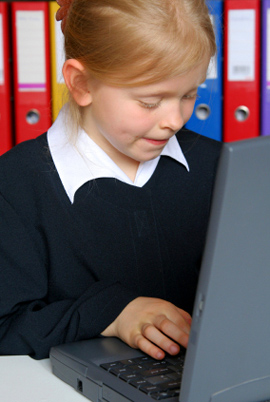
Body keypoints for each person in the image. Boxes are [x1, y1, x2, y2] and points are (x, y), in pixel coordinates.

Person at [0, 0, 222, 360]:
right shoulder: (16, 186)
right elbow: (5, 329)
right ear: (81, 83)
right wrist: (113, 313)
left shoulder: (218, 166)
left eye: (189, 94)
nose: (175, 120)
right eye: (150, 102)